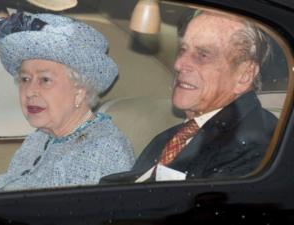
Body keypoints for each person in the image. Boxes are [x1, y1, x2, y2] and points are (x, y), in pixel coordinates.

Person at [101, 10, 277, 183]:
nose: (178, 64)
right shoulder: (170, 137)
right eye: (183, 50)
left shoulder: (256, 149)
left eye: (203, 55)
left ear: (245, 74)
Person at [0, 12, 135, 192]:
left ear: (80, 91)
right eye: (25, 79)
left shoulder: (102, 150)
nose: (30, 91)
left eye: (45, 80)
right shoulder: (38, 138)